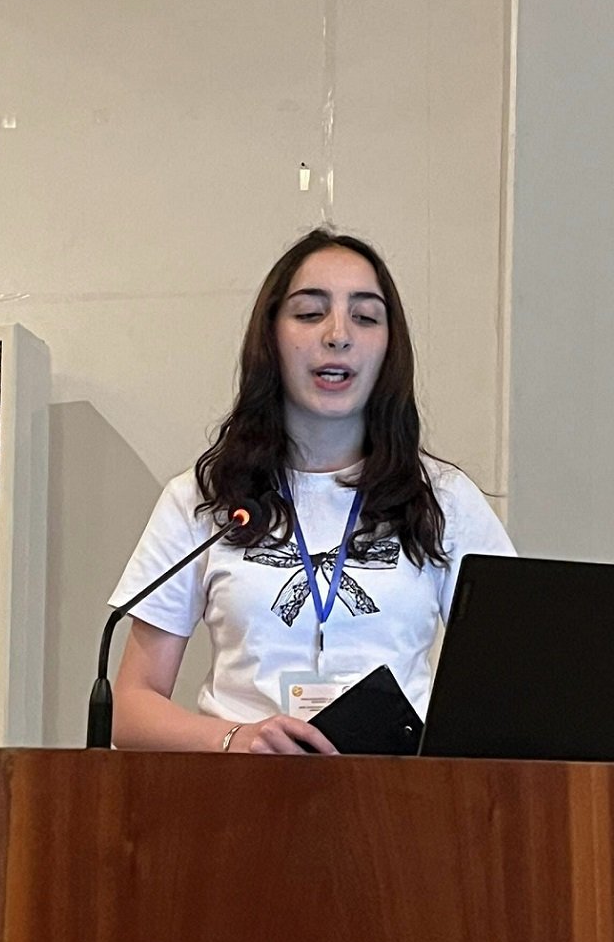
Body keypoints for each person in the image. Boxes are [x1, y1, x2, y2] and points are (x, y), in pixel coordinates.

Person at [110, 228, 515, 754]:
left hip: (398, 792)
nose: (338, 334)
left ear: (389, 347)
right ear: (271, 337)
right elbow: (131, 709)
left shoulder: (444, 498)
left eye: (365, 317)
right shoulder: (204, 497)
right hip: (240, 790)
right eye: (309, 313)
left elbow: (510, 682)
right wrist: (236, 738)